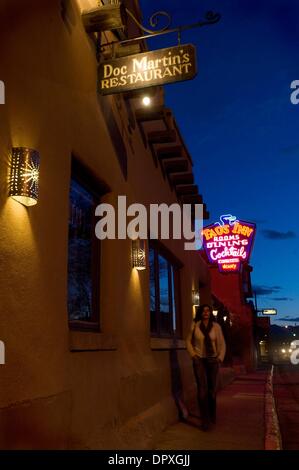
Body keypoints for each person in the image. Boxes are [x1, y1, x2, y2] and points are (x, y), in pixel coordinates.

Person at [186, 304, 226, 430]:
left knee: (211, 391)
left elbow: (222, 343)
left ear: (210, 313)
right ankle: (205, 420)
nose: (206, 312)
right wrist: (193, 356)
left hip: (213, 360)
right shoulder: (195, 325)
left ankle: (212, 414)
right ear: (200, 313)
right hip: (200, 361)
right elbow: (188, 340)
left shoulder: (216, 327)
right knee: (202, 390)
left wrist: (219, 358)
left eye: (208, 311)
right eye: (203, 311)